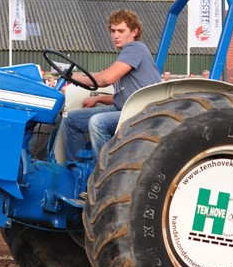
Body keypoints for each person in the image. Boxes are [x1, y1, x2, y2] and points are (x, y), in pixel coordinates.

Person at [63, 9, 161, 162]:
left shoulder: (135, 48)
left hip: (142, 112)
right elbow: (124, 98)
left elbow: (106, 79)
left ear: (134, 32)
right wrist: (98, 98)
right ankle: (76, 167)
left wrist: (74, 77)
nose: (116, 35)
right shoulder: (126, 54)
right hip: (125, 109)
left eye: (121, 31)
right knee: (71, 119)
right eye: (113, 31)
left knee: (97, 123)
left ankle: (104, 170)